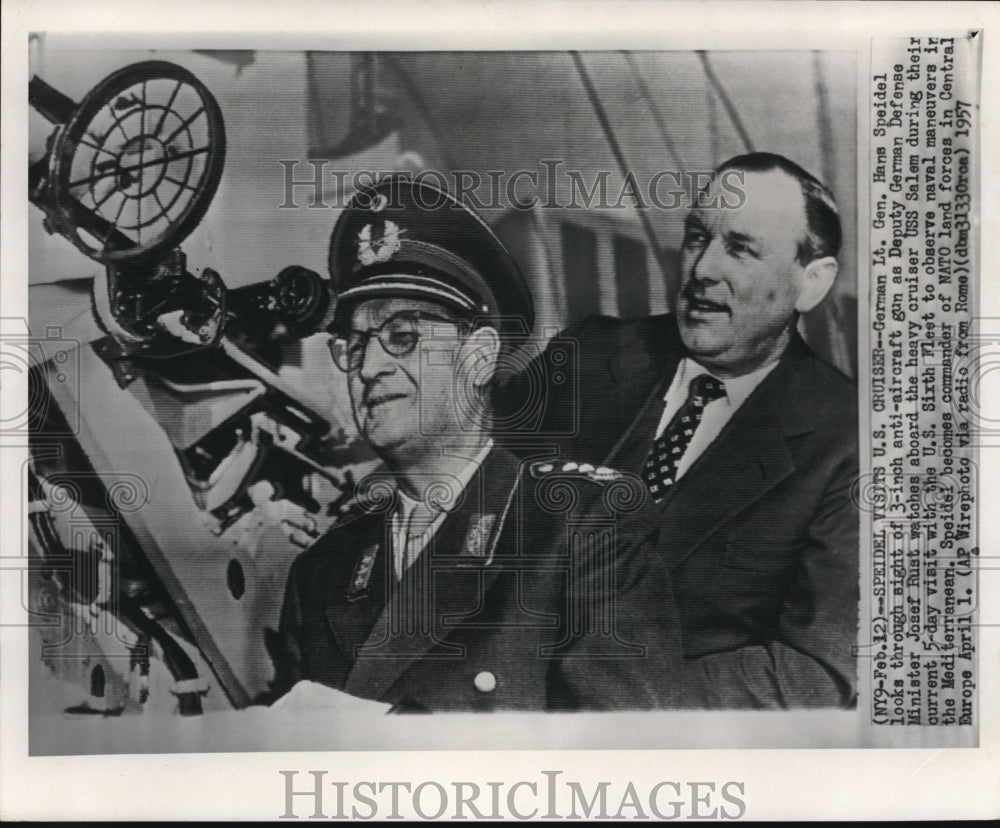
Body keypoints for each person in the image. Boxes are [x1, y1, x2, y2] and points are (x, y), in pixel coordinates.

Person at [275, 175, 681, 711]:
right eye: (355, 345)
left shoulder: (583, 529)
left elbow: (627, 765)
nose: (370, 367)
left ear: (480, 356)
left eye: (404, 335)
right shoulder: (321, 572)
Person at [497, 153, 859, 708]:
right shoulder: (591, 354)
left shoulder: (850, 443)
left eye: (740, 247)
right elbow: (461, 474)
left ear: (811, 284)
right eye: (696, 237)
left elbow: (813, 671)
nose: (702, 269)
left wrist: (602, 709)